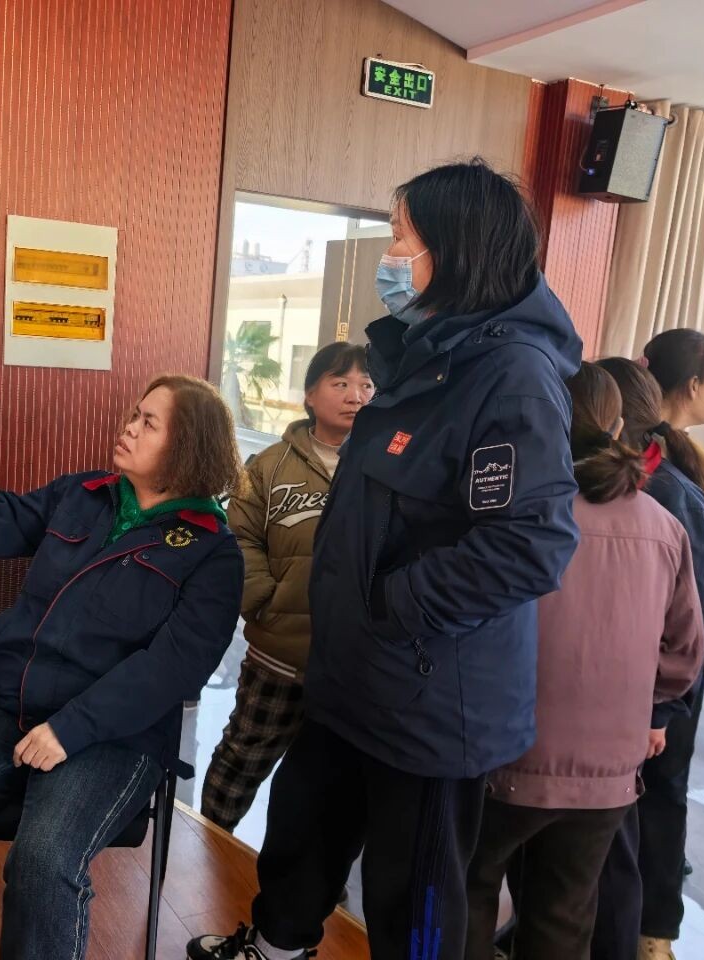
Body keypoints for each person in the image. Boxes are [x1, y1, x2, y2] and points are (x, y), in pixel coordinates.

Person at [189, 158, 582, 960]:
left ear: (453, 249)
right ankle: (274, 949)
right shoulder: (419, 360)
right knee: (302, 840)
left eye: (402, 236)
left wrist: (394, 606)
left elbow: (530, 544)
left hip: (430, 699)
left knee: (414, 897)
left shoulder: (512, 376)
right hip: (353, 677)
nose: (390, 254)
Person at [0, 375, 246, 960]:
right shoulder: (83, 494)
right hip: (14, 704)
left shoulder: (211, 552)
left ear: (187, 446)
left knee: (44, 860)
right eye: (134, 415)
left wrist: (70, 729)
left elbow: (172, 668)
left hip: (114, 736)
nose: (128, 427)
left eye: (148, 423)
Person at [464, 363, 704, 960]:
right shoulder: (664, 525)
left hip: (508, 752)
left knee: (470, 889)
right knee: (565, 915)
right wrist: (649, 707)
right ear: (618, 427)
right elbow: (686, 652)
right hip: (611, 772)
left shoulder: (511, 510)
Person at [594, 336, 704, 960]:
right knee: (646, 809)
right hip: (654, 687)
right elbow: (698, 617)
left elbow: (694, 614)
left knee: (640, 810)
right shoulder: (661, 478)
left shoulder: (661, 474)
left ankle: (646, 933)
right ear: (693, 385)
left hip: (648, 683)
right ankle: (641, 934)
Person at [201, 342, 373, 832]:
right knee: (241, 759)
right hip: (279, 654)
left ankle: (304, 872)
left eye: (366, 385)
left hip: (357, 662)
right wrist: (265, 601)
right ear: (310, 394)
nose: (356, 396)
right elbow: (238, 537)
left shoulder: (387, 463)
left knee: (329, 780)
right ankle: (208, 850)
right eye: (340, 383)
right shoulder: (270, 465)